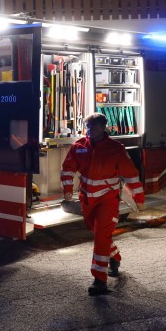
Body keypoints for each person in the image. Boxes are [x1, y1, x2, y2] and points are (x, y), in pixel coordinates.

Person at [61, 113, 145, 296]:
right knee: (98, 233)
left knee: (100, 235)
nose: (89, 130)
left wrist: (138, 197)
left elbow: (130, 174)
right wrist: (67, 188)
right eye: (87, 127)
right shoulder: (79, 146)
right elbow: (67, 168)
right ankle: (115, 257)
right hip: (87, 199)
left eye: (94, 127)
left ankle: (99, 280)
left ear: (104, 127)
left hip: (107, 199)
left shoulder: (115, 149)